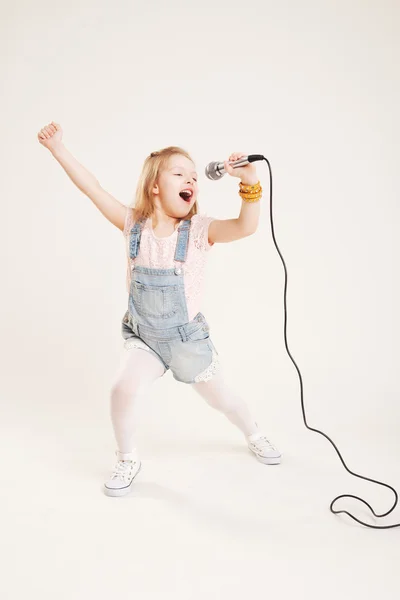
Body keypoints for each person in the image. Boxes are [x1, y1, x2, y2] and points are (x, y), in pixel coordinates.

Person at [37, 121, 282, 497]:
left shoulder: (200, 230)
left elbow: (246, 227)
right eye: (179, 173)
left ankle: (255, 433)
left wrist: (249, 183)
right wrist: (58, 149)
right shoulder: (132, 224)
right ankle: (127, 457)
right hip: (145, 337)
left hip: (186, 340)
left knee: (223, 399)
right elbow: (92, 188)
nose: (192, 180)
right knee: (123, 388)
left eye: (194, 176)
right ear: (155, 186)